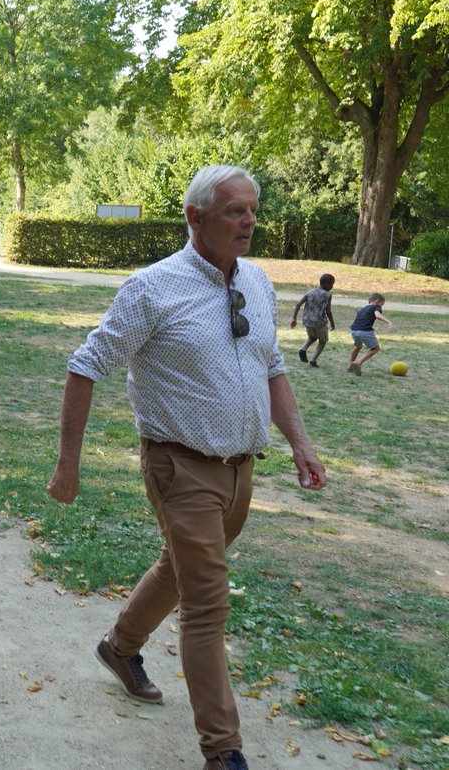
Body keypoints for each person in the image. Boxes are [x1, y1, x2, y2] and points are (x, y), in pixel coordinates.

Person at [46, 165, 326, 770]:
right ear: (195, 218)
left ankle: (120, 647)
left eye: (251, 209)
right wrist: (69, 465)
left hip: (240, 468)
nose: (248, 220)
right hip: (180, 466)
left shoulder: (256, 279)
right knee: (207, 601)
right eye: (233, 211)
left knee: (180, 568)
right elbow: (84, 365)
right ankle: (223, 750)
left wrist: (300, 443)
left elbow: (273, 365)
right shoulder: (152, 288)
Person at [289, 273, 336, 367]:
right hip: (320, 322)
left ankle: (303, 349)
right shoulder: (327, 295)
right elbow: (328, 311)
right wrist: (332, 323)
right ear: (326, 284)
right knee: (322, 341)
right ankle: (313, 360)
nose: (332, 286)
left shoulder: (310, 292)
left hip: (307, 321)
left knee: (312, 337)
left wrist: (294, 317)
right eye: (331, 284)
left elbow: (298, 304)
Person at [346, 293, 394, 375]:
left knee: (358, 346)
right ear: (377, 301)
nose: (381, 307)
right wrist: (388, 322)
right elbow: (377, 315)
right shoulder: (376, 307)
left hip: (354, 330)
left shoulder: (363, 308)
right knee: (375, 348)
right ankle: (358, 362)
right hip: (365, 331)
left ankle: (350, 366)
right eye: (382, 304)